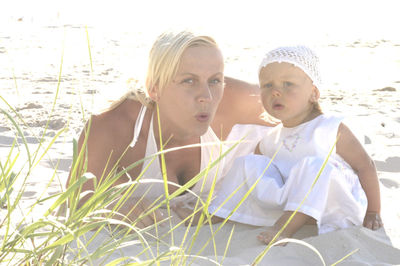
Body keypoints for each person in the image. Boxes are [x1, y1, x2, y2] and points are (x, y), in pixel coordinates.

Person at [66, 30, 274, 228]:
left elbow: (299, 106)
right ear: (154, 88)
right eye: (188, 80)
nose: (207, 96)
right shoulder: (110, 127)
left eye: (215, 80)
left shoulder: (230, 101)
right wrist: (113, 210)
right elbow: (74, 206)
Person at [208, 45, 383, 244]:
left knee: (314, 166)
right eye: (267, 85)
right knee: (247, 163)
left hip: (334, 204)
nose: (275, 92)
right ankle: (218, 212)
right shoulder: (270, 139)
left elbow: (365, 166)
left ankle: (284, 227)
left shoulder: (330, 128)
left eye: (288, 84)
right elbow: (254, 178)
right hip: (289, 203)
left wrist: (373, 210)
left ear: (313, 93)